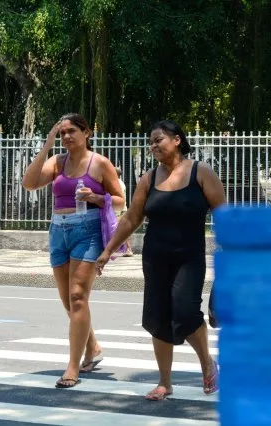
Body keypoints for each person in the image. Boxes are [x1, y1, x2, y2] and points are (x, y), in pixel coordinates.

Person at [96, 119, 226, 401]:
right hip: (155, 257)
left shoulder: (200, 173)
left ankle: (207, 364)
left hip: (188, 257)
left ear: (177, 140)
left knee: (185, 311)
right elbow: (132, 218)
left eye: (159, 140)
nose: (153, 146)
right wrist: (108, 251)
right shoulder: (149, 178)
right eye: (151, 142)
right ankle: (164, 382)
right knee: (157, 316)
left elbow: (223, 213)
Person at [22, 113, 125, 389]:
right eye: (62, 132)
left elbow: (119, 200)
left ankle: (72, 367)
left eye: (72, 132)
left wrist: (95, 197)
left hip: (88, 230)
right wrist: (47, 145)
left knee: (78, 295)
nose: (66, 137)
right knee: (69, 300)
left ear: (86, 133)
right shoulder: (57, 162)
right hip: (58, 230)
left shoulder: (99, 163)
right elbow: (29, 183)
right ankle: (92, 347)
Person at [114, 166, 134, 257]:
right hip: (121, 209)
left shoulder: (117, 183)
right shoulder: (120, 183)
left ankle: (128, 249)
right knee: (123, 229)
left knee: (122, 230)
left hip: (118, 210)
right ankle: (128, 249)